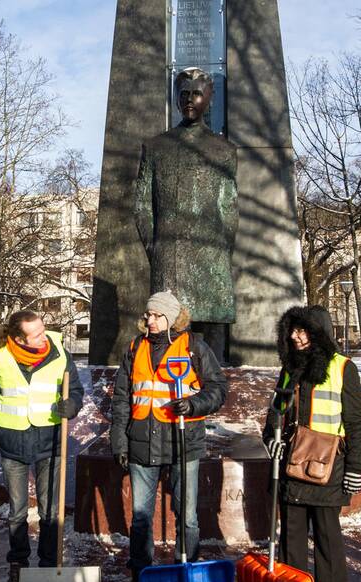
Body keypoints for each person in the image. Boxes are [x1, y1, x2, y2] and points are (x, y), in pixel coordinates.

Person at [110, 291, 228, 582]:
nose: (149, 320)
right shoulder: (135, 348)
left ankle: (185, 572)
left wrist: (192, 405)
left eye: (156, 315)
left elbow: (218, 388)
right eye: (148, 314)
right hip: (141, 445)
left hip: (182, 443)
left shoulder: (194, 348)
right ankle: (140, 578)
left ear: (172, 318)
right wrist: (119, 441)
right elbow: (122, 398)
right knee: (141, 519)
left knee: (187, 517)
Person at [262, 306, 361, 582]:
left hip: (328, 467)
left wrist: (355, 468)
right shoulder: (289, 368)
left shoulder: (343, 368)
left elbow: (355, 422)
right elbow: (275, 411)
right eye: (292, 330)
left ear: (318, 332)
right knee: (292, 537)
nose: (295, 336)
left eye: (302, 330)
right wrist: (271, 439)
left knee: (327, 538)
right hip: (292, 464)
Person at [0, 311, 84, 582]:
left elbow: (75, 389)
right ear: (18, 338)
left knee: (50, 511)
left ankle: (49, 568)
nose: (43, 336)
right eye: (35, 334)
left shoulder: (59, 351)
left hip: (50, 441)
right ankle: (18, 570)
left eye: (43, 329)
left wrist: (71, 405)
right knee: (17, 512)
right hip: (13, 442)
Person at [134, 67, 238, 361]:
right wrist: (154, 247)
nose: (189, 100)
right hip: (169, 255)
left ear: (209, 98)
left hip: (211, 258)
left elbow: (228, 207)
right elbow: (142, 203)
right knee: (167, 330)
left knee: (211, 343)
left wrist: (220, 249)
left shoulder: (223, 150)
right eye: (183, 94)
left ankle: (211, 394)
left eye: (196, 93)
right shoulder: (156, 147)